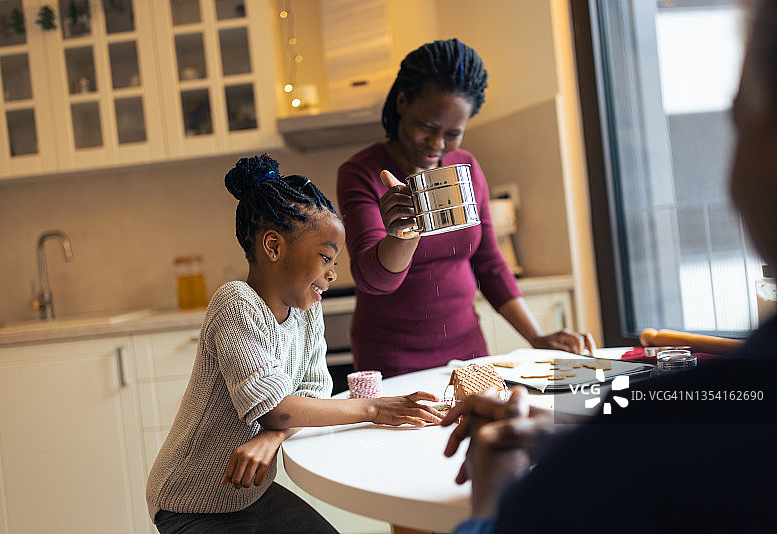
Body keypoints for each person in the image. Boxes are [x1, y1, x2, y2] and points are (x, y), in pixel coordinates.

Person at [441, 2, 777, 531]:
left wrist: (494, 498)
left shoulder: (626, 458)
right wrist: (561, 432)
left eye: (737, 121)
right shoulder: (730, 403)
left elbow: (490, 261)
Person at [146, 154, 443, 534]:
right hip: (189, 502)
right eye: (325, 257)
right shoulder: (236, 304)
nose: (333, 274)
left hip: (247, 495)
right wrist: (373, 408)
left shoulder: (305, 309)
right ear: (274, 246)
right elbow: (277, 409)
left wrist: (273, 437)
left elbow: (313, 390)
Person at [337, 39, 595, 378]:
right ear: (402, 102)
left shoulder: (466, 169)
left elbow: (490, 265)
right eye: (427, 127)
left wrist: (538, 337)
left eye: (453, 133)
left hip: (469, 352)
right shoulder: (362, 173)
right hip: (393, 359)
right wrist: (404, 232)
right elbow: (374, 280)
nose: (437, 144)